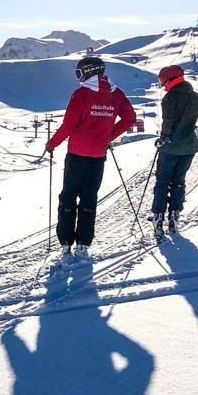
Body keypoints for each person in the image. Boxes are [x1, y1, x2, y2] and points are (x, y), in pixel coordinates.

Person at [46, 56, 136, 259]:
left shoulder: (81, 94)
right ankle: (83, 244)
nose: (78, 78)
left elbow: (68, 126)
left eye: (79, 73)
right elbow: (130, 119)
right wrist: (106, 137)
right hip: (98, 155)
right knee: (89, 197)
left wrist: (52, 144)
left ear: (87, 72)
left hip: (77, 154)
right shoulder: (117, 94)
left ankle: (66, 242)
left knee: (68, 196)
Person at [151, 64, 198, 238]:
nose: (162, 84)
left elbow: (168, 121)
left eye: (162, 80)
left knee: (163, 182)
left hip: (170, 148)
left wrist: (163, 138)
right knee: (179, 181)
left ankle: (158, 218)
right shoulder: (194, 97)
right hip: (189, 147)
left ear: (169, 79)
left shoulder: (169, 98)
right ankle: (174, 216)